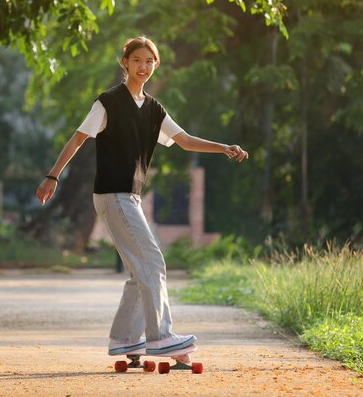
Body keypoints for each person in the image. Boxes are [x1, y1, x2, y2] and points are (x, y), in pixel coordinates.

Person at [36, 36, 248, 356]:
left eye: (149, 61)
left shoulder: (153, 109)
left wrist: (223, 148)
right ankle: (160, 336)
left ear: (156, 65)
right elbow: (78, 138)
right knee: (151, 260)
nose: (143, 66)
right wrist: (53, 175)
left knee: (141, 268)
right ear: (125, 63)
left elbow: (185, 140)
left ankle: (124, 339)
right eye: (137, 60)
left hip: (129, 197)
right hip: (113, 193)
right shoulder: (108, 101)